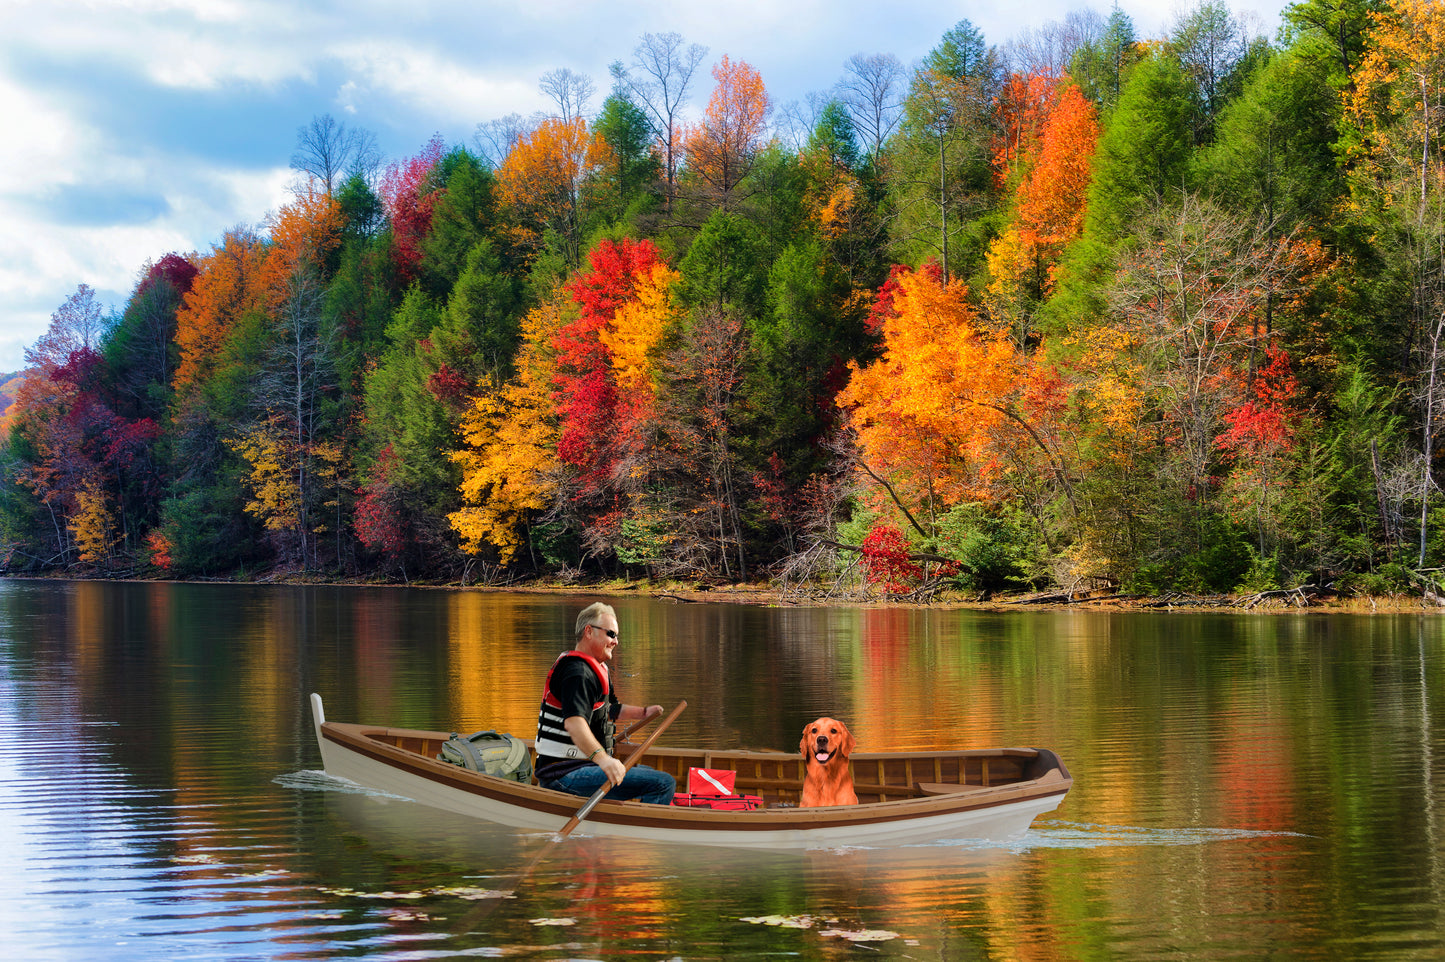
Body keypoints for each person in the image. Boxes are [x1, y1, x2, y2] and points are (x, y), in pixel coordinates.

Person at [534, 602, 676, 804]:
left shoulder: (596, 668)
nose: (616, 641)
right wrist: (605, 760)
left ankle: (622, 824)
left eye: (616, 636)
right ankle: (638, 832)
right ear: (589, 632)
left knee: (649, 773)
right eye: (611, 634)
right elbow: (574, 724)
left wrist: (643, 712)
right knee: (663, 783)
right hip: (562, 775)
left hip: (582, 767)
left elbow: (608, 709)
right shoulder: (578, 673)